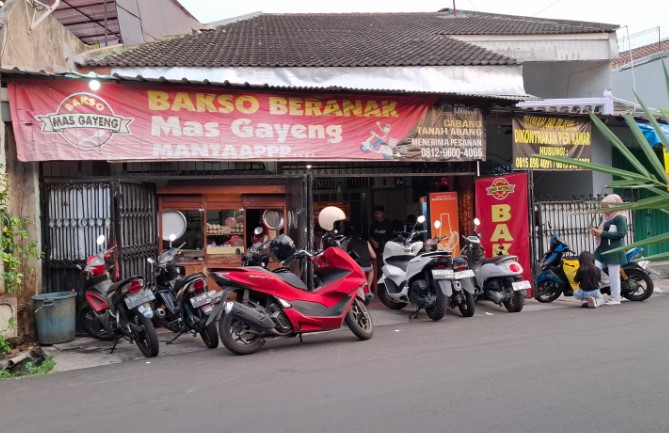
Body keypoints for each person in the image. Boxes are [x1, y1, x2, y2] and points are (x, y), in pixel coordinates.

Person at [590, 194, 628, 305]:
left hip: (614, 250)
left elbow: (621, 233)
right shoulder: (605, 217)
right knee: (594, 269)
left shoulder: (619, 217)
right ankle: (601, 291)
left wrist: (603, 233)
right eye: (603, 206)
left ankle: (616, 298)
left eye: (606, 206)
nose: (604, 209)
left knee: (614, 275)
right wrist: (596, 232)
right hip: (602, 249)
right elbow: (602, 231)